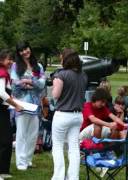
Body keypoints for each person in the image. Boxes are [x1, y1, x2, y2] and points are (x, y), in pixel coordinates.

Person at [51, 49, 88, 180]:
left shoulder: (61, 75)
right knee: (74, 147)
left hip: (62, 114)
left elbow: (55, 95)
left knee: (58, 146)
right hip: (77, 115)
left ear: (65, 59)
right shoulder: (83, 75)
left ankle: (59, 177)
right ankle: (73, 177)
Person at [10, 41, 46, 170]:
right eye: (22, 50)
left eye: (26, 48)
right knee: (21, 134)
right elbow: (14, 83)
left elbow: (42, 84)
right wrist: (30, 84)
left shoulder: (38, 66)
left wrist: (28, 81)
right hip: (21, 104)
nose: (25, 52)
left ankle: (28, 160)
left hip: (35, 104)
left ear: (30, 48)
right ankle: (21, 162)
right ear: (19, 53)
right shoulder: (15, 66)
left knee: (33, 134)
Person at [0, 49, 23, 179]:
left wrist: (11, 98)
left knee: (5, 140)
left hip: (3, 110)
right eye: (9, 59)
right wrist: (16, 105)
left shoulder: (4, 73)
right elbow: (1, 93)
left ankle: (3, 170)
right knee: (5, 140)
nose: (11, 61)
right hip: (1, 111)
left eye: (12, 59)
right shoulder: (2, 73)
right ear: (1, 59)